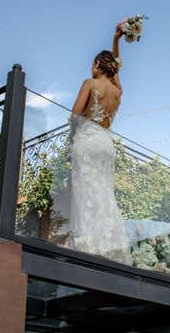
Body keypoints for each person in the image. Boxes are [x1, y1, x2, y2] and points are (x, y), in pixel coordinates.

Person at [66, 24, 133, 264]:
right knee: (105, 192)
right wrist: (117, 40)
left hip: (87, 140)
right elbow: (117, 70)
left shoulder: (90, 83)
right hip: (106, 144)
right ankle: (110, 247)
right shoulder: (117, 91)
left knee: (86, 192)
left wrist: (72, 137)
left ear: (96, 65)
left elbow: (75, 115)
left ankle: (87, 248)